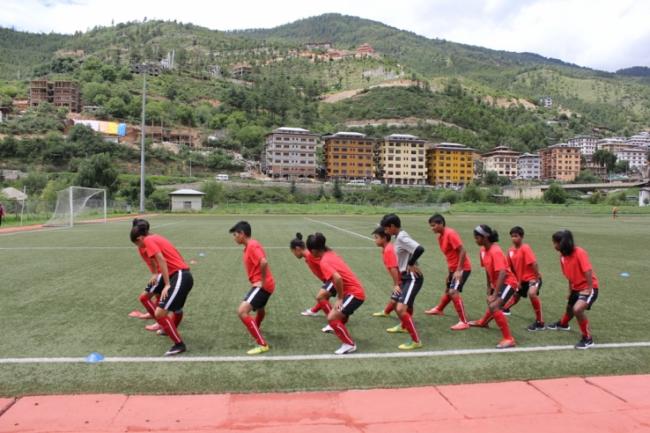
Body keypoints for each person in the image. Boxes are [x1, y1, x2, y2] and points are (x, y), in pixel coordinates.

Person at [131, 220, 193, 356]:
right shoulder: (154, 237)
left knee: (161, 313)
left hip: (180, 275)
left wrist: (167, 284)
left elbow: (161, 259)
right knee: (168, 310)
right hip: (178, 275)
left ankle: (179, 345)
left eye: (137, 243)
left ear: (140, 238)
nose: (139, 247)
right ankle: (168, 329)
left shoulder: (148, 240)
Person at [306, 232, 365, 355]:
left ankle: (349, 344)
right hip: (353, 292)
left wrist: (340, 298)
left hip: (354, 294)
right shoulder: (330, 253)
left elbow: (337, 278)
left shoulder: (324, 261)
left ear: (314, 250)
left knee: (332, 317)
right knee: (337, 315)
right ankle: (337, 327)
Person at [547, 230, 599, 349]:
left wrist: (589, 288)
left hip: (589, 287)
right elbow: (569, 276)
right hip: (576, 288)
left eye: (555, 242)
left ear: (563, 242)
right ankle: (563, 324)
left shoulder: (579, 252)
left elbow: (587, 270)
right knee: (570, 307)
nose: (554, 245)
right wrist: (570, 291)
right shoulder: (562, 257)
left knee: (577, 309)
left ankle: (588, 338)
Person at [379, 213, 425, 350]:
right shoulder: (399, 236)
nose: (385, 231)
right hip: (405, 277)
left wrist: (411, 264)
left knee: (400, 308)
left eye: (386, 229)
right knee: (406, 305)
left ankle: (416, 341)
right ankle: (404, 326)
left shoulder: (402, 237)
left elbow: (419, 248)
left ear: (392, 226)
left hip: (412, 278)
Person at [468, 225, 517, 349]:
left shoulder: (496, 251)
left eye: (477, 237)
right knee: (491, 302)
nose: (475, 240)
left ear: (485, 237)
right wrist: (489, 286)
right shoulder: (482, 251)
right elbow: (487, 269)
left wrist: (495, 294)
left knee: (494, 305)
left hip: (508, 282)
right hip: (497, 283)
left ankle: (509, 339)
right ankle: (483, 322)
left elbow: (502, 273)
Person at [230, 221, 275, 355]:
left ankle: (262, 344)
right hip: (266, 284)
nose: (234, 238)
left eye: (235, 234)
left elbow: (263, 262)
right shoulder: (249, 246)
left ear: (242, 234)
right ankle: (256, 328)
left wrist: (262, 281)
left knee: (242, 311)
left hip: (263, 285)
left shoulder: (252, 245)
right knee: (260, 309)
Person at [424, 214, 471, 330]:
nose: (432, 228)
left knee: (453, 291)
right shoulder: (440, 237)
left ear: (441, 224)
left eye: (434, 225)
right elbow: (450, 255)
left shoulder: (450, 233)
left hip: (462, 268)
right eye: (431, 226)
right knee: (448, 290)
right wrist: (450, 273)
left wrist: (458, 270)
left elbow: (462, 251)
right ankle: (439, 309)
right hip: (453, 269)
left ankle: (464, 322)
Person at [290, 232, 334, 333]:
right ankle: (314, 311)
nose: (294, 255)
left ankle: (334, 321)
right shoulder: (309, 256)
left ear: (297, 249)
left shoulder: (311, 256)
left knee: (321, 297)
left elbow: (327, 261)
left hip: (333, 278)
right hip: (329, 279)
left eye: (293, 252)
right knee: (324, 296)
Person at [505, 226, 545, 331]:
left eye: (516, 236)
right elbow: (510, 268)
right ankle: (505, 308)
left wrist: (536, 277)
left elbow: (534, 263)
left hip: (532, 278)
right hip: (521, 280)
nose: (514, 238)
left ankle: (540, 322)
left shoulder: (525, 248)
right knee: (516, 295)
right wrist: (516, 281)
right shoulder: (510, 251)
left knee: (532, 293)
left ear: (522, 237)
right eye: (512, 236)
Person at [370, 226, 401, 320]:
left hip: (402, 280)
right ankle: (386, 312)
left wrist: (396, 284)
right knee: (395, 299)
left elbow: (394, 268)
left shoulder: (388, 250)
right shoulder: (387, 248)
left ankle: (405, 323)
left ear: (384, 238)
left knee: (397, 302)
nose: (374, 240)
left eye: (376, 237)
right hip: (401, 279)